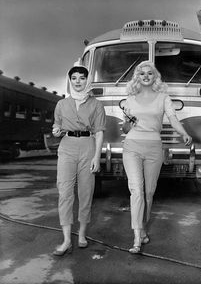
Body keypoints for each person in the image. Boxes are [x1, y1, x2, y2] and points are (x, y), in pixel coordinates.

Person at [122, 60, 192, 254]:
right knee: (136, 190)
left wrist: (183, 133)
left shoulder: (163, 97)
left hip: (154, 146)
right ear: (137, 76)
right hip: (132, 146)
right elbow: (125, 128)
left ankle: (143, 229)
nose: (145, 76)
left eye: (149, 73)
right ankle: (137, 238)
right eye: (141, 73)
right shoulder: (130, 98)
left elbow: (173, 119)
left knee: (149, 192)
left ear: (155, 76)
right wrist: (127, 122)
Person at [52, 65, 106, 256]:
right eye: (74, 78)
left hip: (88, 146)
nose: (77, 81)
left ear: (87, 80)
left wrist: (97, 157)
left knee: (85, 192)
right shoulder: (61, 104)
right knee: (65, 192)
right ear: (69, 80)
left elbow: (99, 132)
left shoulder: (97, 104)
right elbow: (57, 126)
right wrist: (56, 131)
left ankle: (82, 234)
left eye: (82, 78)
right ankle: (66, 240)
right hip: (67, 147)